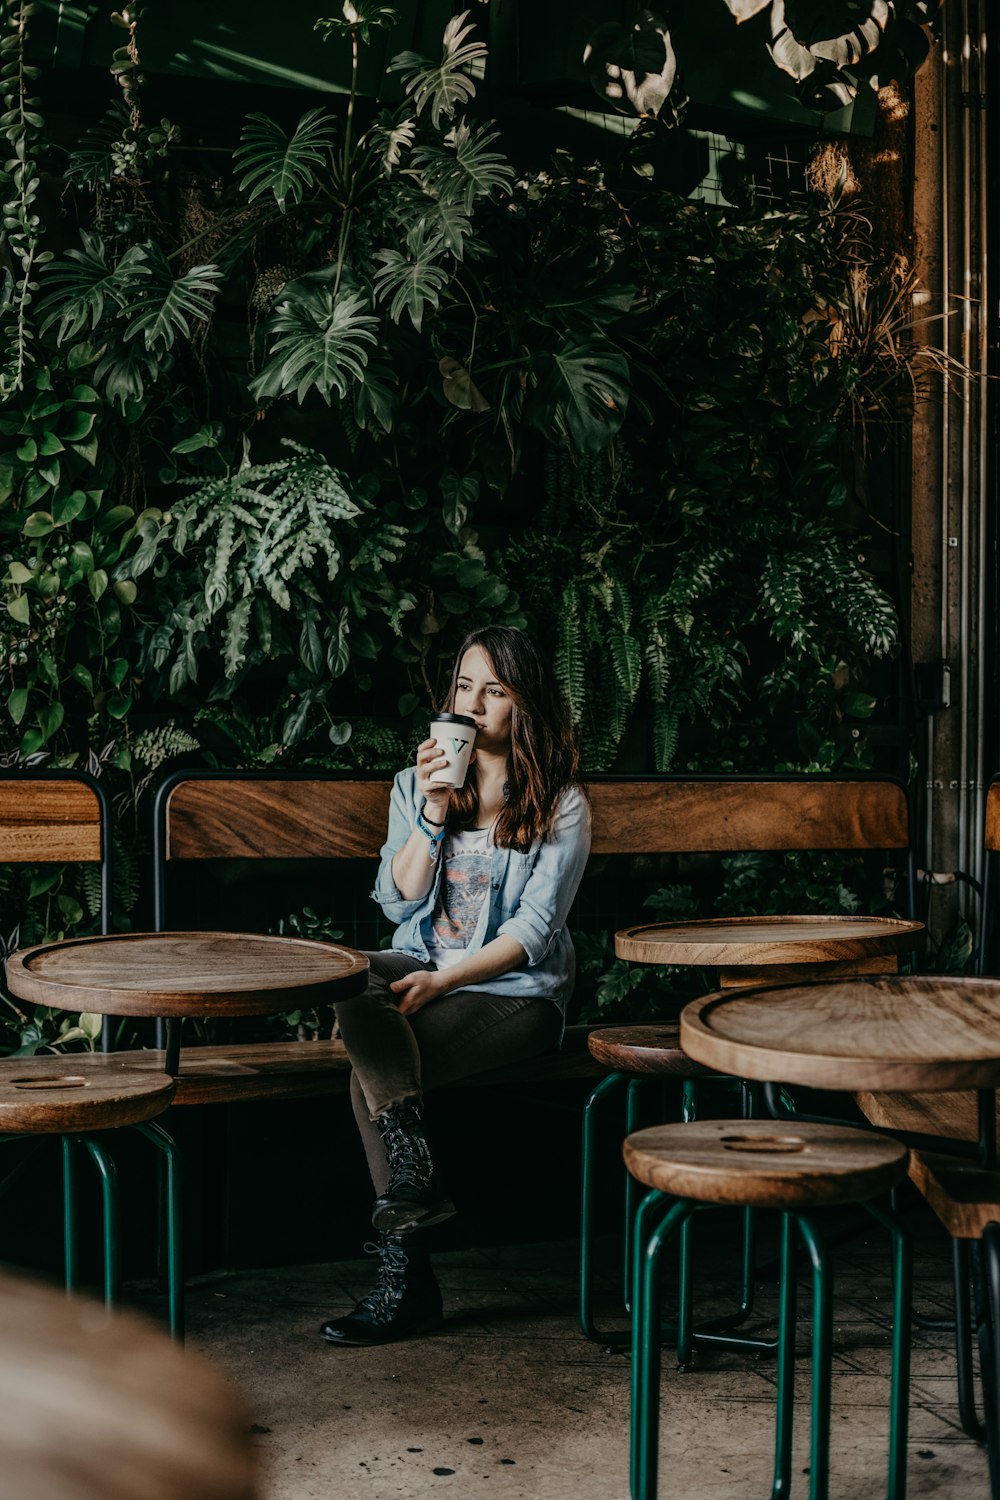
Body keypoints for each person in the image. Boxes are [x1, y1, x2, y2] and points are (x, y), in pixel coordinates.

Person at [320, 625, 592, 1348]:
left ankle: (406, 1283)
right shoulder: (415, 785)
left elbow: (532, 932)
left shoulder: (560, 803)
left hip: (516, 994)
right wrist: (435, 807)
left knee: (365, 1080)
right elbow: (397, 901)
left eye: (494, 691)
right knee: (347, 968)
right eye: (464, 687)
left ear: (523, 706)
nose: (474, 705)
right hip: (420, 963)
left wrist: (442, 984)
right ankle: (413, 1170)